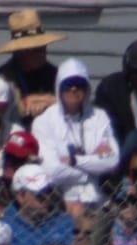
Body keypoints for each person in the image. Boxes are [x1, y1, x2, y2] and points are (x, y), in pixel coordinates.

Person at [31, 58, 121, 186]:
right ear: (59, 88)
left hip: (97, 197)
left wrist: (74, 161)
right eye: (68, 84)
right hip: (61, 197)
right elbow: (51, 170)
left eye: (79, 84)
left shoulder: (99, 117)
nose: (73, 89)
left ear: (87, 88)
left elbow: (113, 160)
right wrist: (93, 172)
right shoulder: (43, 122)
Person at [0, 7, 66, 119]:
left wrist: (53, 101)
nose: (44, 51)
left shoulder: (56, 74)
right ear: (21, 52)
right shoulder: (2, 79)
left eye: (44, 46)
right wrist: (23, 105)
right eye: (37, 48)